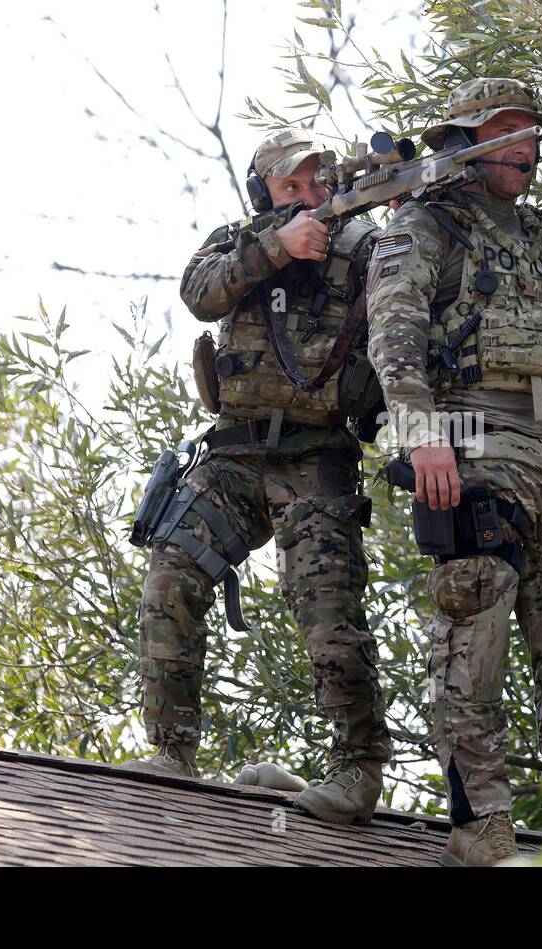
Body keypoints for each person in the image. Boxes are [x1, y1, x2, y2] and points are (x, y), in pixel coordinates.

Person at [364, 79, 542, 864]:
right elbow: (392, 336)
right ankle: (481, 827)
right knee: (474, 626)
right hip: (472, 434)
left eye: (533, 134)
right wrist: (423, 433)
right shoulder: (426, 226)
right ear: (462, 142)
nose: (527, 146)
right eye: (506, 132)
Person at [123, 127, 392, 826]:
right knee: (172, 572)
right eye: (290, 187)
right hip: (235, 455)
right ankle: (172, 751)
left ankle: (357, 770)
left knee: (327, 607)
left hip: (317, 455)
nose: (309, 196)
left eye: (317, 182)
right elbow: (199, 292)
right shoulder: (237, 240)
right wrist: (278, 246)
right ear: (264, 193)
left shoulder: (365, 246)